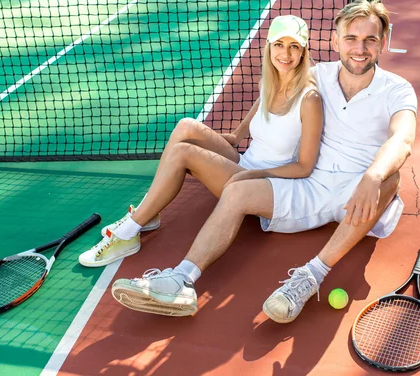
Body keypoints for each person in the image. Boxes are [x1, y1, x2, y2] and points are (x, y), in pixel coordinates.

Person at [110, 0, 417, 321]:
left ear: (383, 43)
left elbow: (403, 138)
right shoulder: (320, 75)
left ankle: (311, 275)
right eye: (351, 38)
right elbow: (274, 89)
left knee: (390, 178)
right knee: (237, 191)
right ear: (335, 41)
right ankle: (181, 280)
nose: (360, 48)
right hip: (308, 185)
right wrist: (240, 133)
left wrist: (372, 176)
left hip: (354, 191)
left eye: (370, 39)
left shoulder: (397, 90)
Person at [79, 15, 323, 274]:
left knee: (183, 153)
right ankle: (147, 214)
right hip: (246, 164)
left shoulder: (309, 99)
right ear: (269, 46)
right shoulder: (270, 82)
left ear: (303, 51)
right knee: (187, 126)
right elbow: (260, 104)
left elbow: (304, 167)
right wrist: (237, 135)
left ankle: (128, 234)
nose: (285, 53)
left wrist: (256, 173)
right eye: (279, 44)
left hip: (265, 184)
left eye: (294, 46)